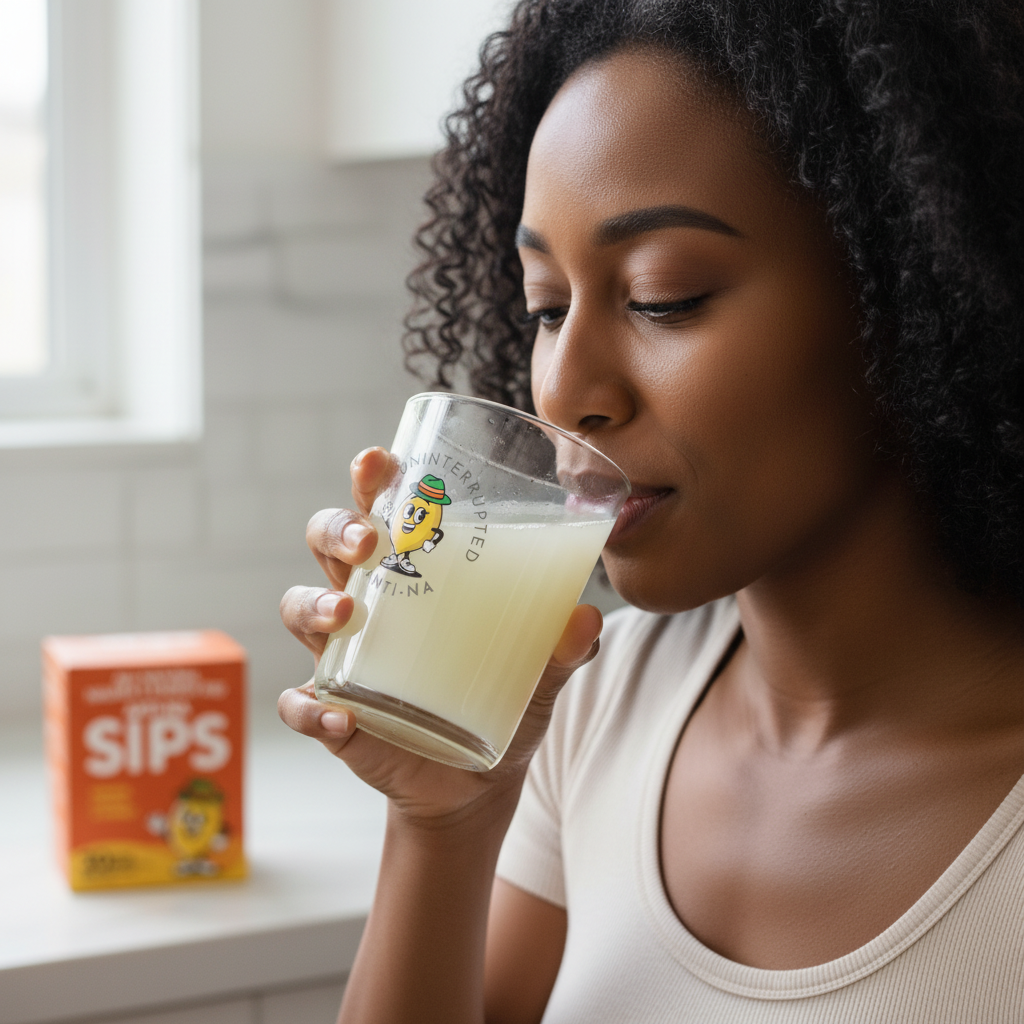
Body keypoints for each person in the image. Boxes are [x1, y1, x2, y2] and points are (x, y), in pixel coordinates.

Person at [278, 1, 1024, 1020]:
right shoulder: (586, 707)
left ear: (907, 289)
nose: (563, 387)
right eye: (546, 306)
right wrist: (443, 824)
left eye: (661, 295)